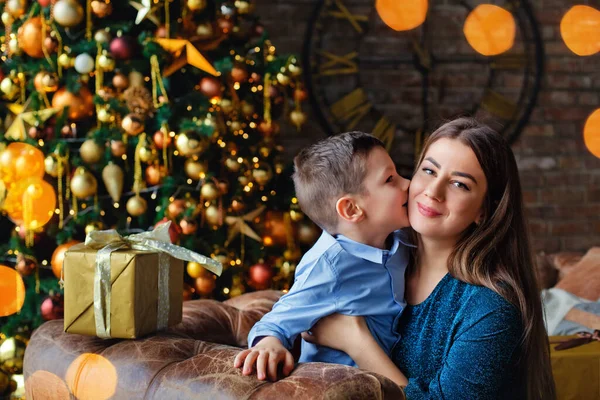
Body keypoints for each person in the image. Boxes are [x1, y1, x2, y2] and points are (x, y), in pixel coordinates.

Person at [302, 118, 556, 399]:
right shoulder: (378, 258)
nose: (432, 192)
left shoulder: (491, 307)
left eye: (460, 184)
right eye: (428, 170)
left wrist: (356, 342)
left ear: (484, 210)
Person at [234, 131, 413, 381]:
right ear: (351, 209)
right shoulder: (328, 266)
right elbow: (278, 319)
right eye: (390, 179)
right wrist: (269, 344)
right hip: (340, 386)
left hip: (389, 374)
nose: (407, 183)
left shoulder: (402, 241)